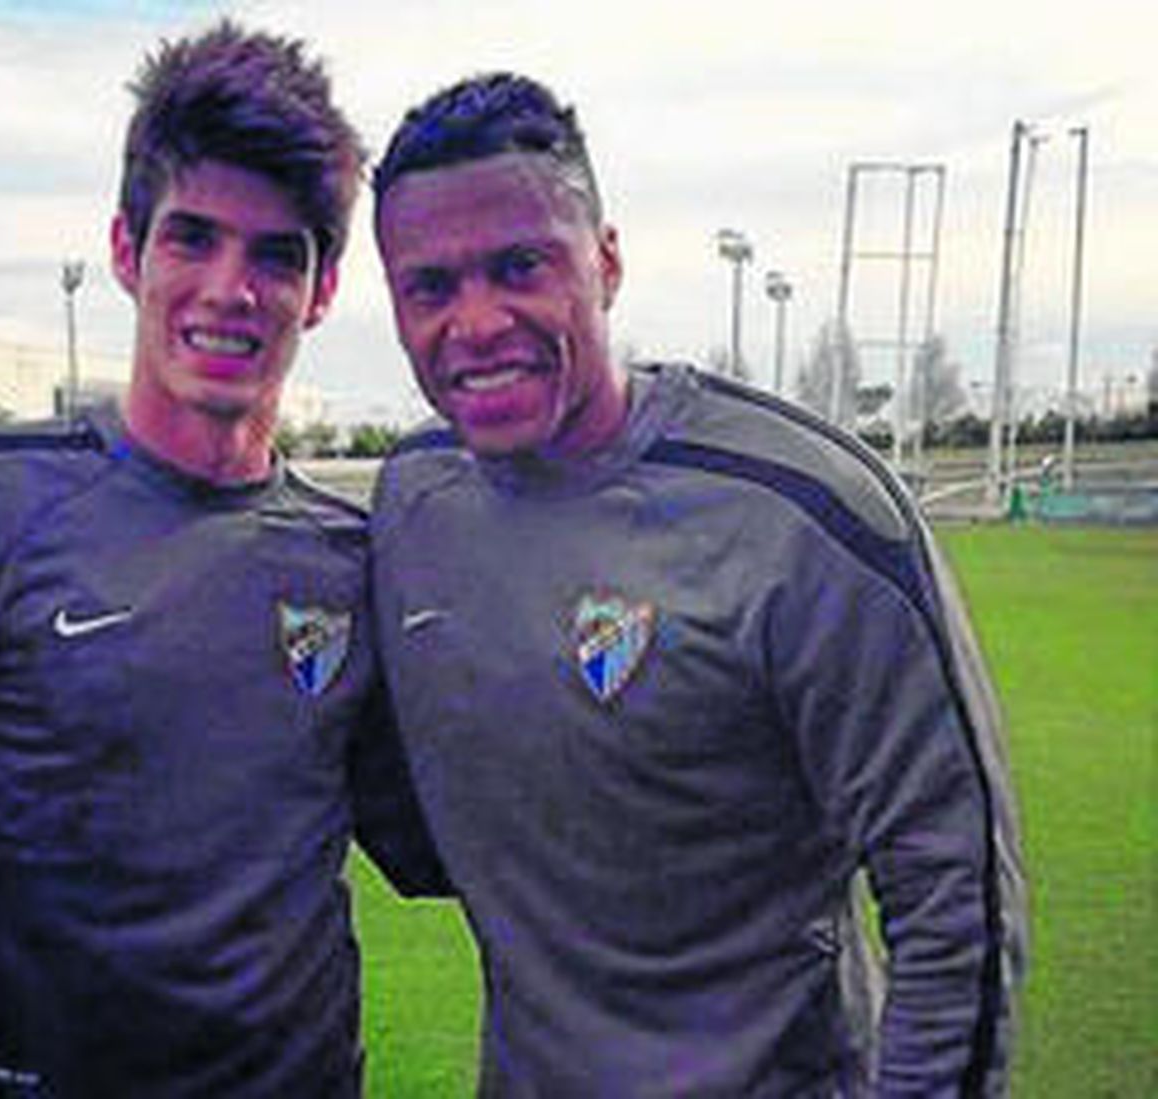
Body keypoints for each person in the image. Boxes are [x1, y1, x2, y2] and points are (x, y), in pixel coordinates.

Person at [0, 22, 446, 1097]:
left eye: (277, 253)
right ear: (127, 250)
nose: (232, 289)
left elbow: (428, 842)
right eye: (194, 238)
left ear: (321, 291)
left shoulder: (345, 558)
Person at [368, 72, 1026, 1097]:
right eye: (430, 287)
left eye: (520, 266)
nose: (477, 320)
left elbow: (956, 903)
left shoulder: (804, 511)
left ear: (608, 262)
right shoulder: (412, 502)